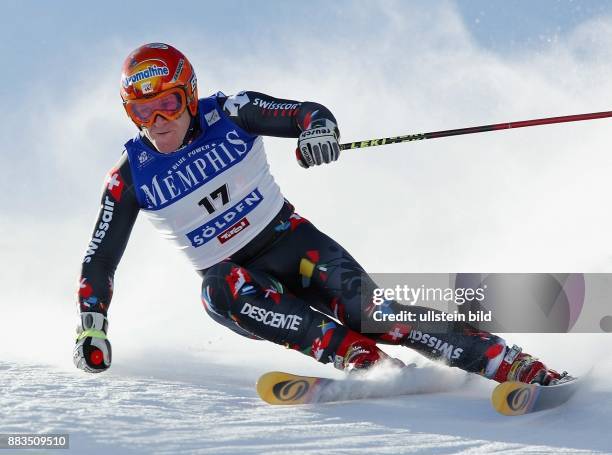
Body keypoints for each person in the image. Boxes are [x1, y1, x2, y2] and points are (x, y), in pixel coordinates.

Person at [74, 42, 562, 386]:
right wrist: (92, 325)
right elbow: (100, 259)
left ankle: (510, 363)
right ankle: (363, 361)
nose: (159, 122)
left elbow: (306, 112)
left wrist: (318, 131)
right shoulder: (131, 176)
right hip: (241, 283)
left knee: (376, 315)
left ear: (189, 92)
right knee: (218, 288)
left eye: (168, 104)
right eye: (143, 112)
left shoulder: (232, 111)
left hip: (295, 244)